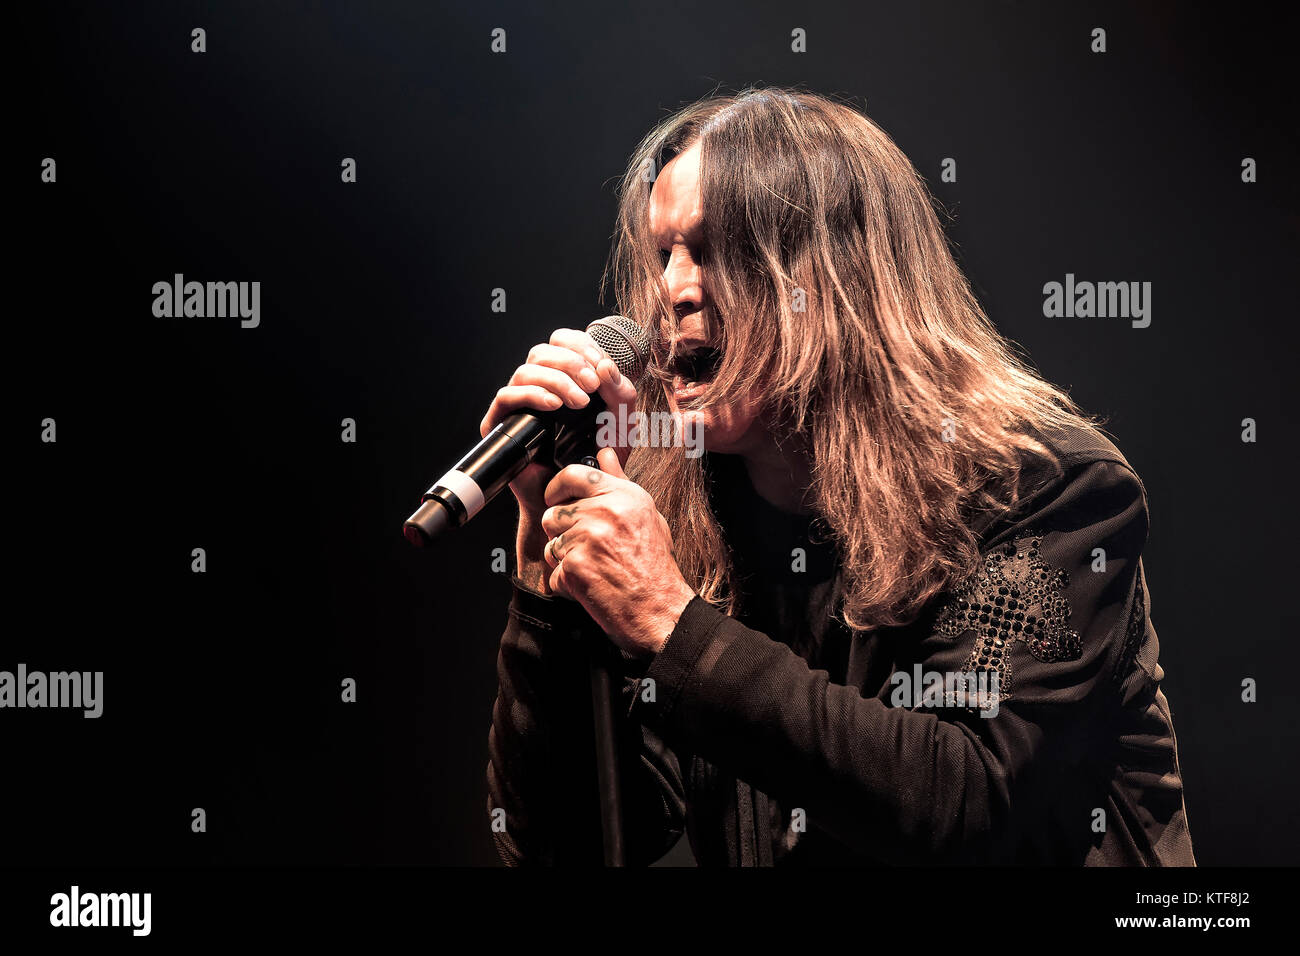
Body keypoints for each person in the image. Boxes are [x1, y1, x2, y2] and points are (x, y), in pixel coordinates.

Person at [483, 87, 1195, 866]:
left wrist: (673, 623)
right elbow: (560, 846)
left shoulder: (1042, 488)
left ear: (835, 277)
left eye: (717, 248)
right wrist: (545, 585)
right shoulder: (683, 516)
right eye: (663, 256)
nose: (673, 291)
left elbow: (973, 804)